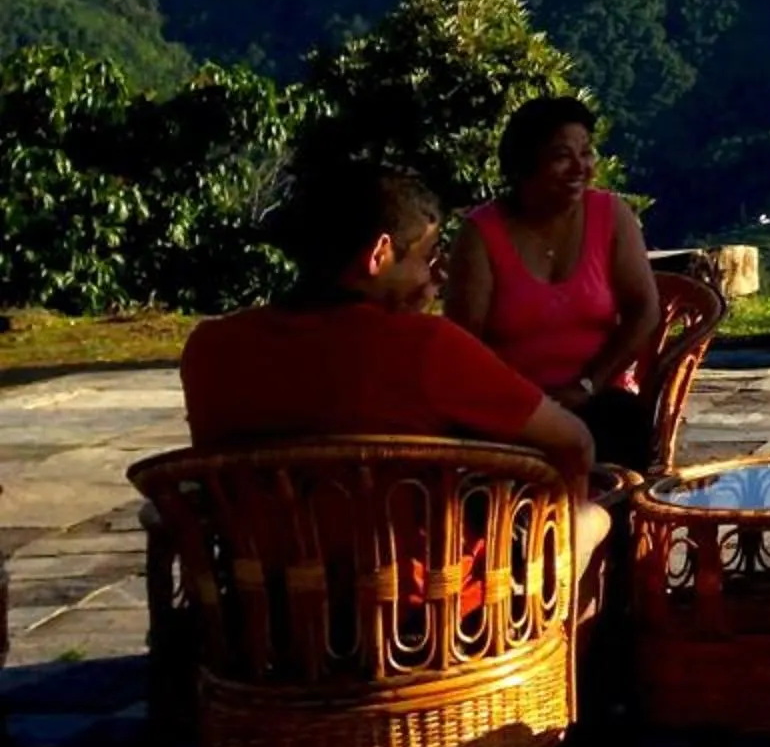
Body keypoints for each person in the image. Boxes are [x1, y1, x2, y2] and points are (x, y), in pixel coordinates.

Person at [180, 164, 607, 567]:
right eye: (426, 258)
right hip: (417, 617)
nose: (433, 278)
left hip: (257, 611)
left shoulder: (209, 348)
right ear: (380, 253)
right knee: (593, 520)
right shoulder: (426, 347)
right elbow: (575, 443)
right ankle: (569, 642)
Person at [445, 96, 663, 469]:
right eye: (562, 156)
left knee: (622, 425)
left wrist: (588, 384)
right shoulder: (481, 234)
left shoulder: (611, 216)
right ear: (526, 163)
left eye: (587, 153)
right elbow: (464, 341)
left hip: (598, 396)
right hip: (511, 405)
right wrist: (527, 401)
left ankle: (608, 525)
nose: (581, 167)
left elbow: (644, 310)